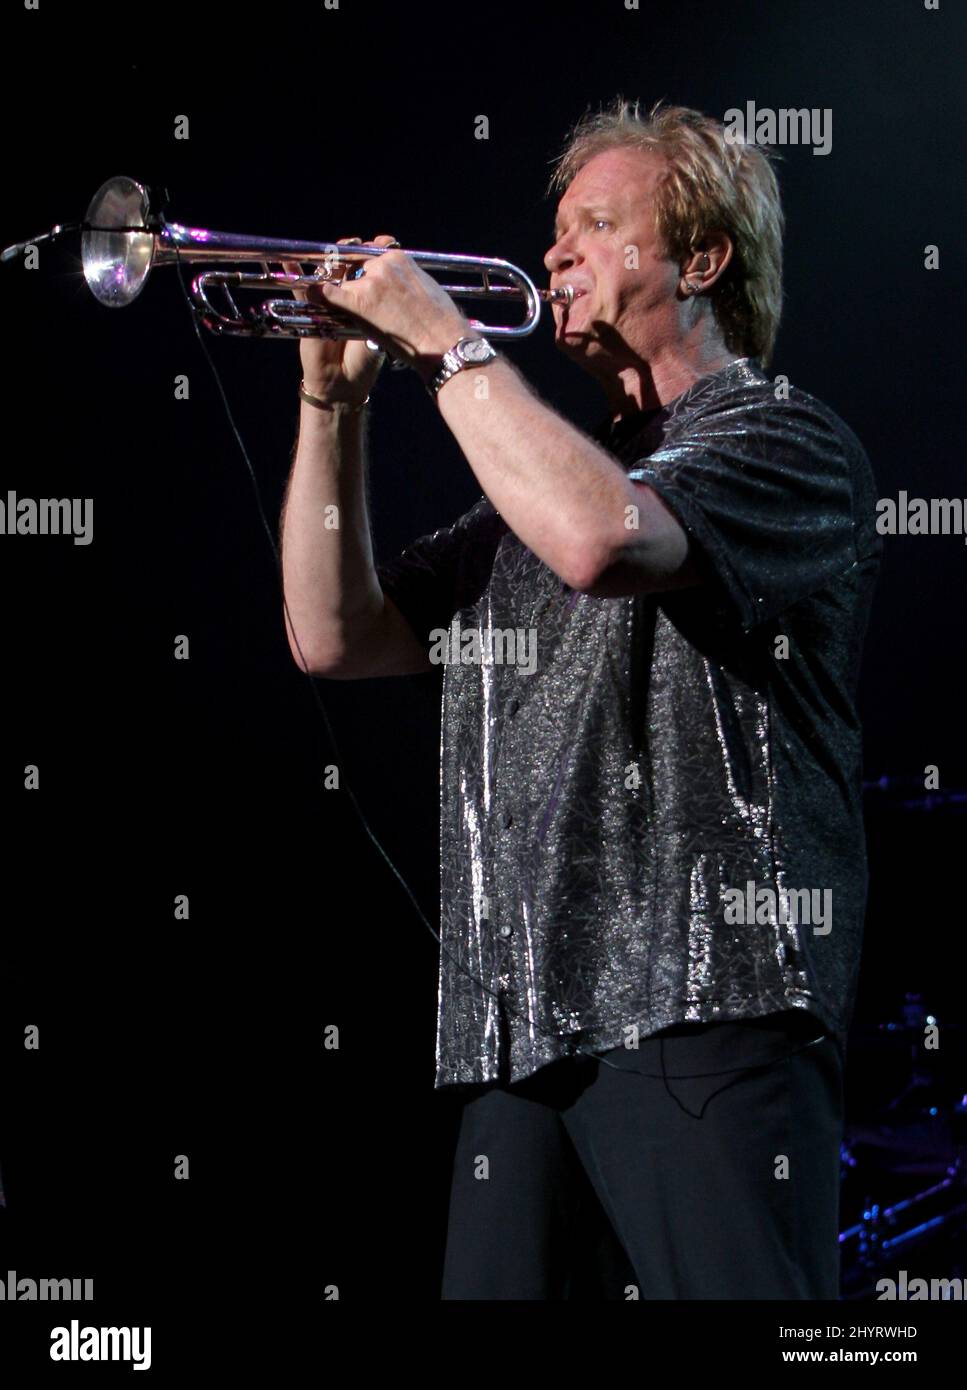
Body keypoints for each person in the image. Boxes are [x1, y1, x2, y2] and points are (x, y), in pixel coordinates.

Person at [279, 99, 882, 1300]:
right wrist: (332, 404)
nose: (551, 253)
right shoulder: (522, 495)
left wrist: (452, 349)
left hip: (707, 1005)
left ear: (699, 259)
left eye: (594, 225)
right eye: (554, 228)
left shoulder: (784, 436)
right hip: (517, 1026)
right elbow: (333, 636)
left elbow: (603, 540)